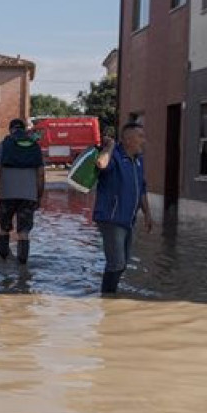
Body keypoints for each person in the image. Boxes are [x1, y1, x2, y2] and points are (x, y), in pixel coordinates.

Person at [93, 121, 153, 294]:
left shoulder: (138, 160)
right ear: (127, 139)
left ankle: (109, 294)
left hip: (128, 219)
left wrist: (147, 214)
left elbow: (141, 188)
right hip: (111, 218)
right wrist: (111, 146)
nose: (144, 140)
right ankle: (107, 300)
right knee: (116, 263)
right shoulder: (115, 156)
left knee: (123, 263)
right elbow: (101, 164)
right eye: (140, 136)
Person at [0, 119, 45, 264]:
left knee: (3, 228)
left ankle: (2, 260)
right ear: (25, 130)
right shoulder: (34, 145)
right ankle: (23, 266)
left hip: (7, 195)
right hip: (28, 196)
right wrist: (39, 195)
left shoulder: (4, 144)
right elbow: (41, 173)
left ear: (10, 129)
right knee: (23, 232)